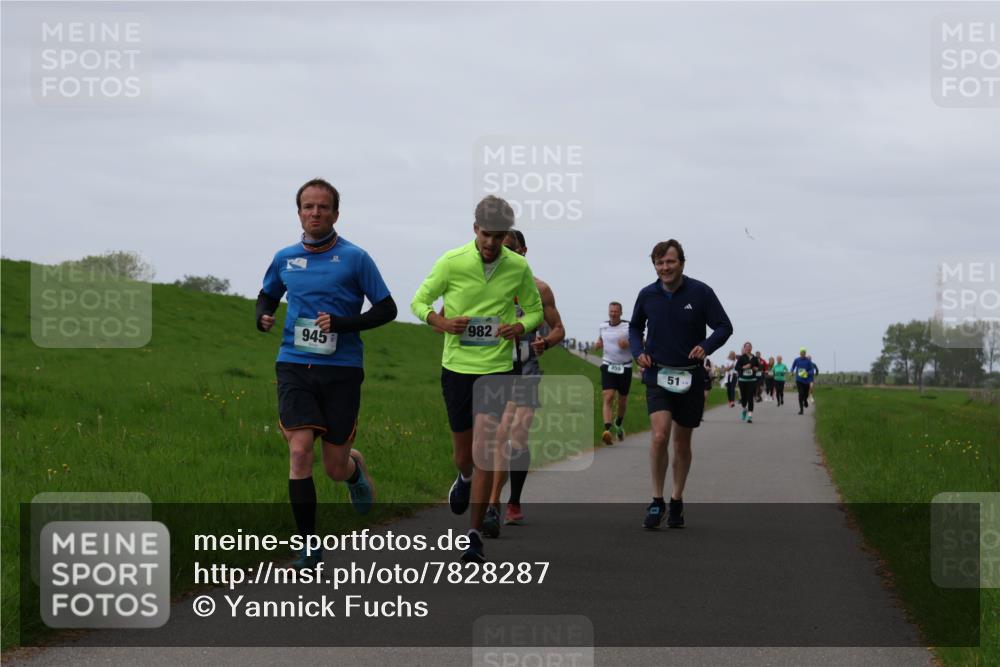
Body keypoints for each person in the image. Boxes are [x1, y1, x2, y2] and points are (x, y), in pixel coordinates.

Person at [256, 178, 397, 569]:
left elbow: (387, 309)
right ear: (298, 211)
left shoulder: (355, 258)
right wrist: (262, 315)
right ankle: (308, 544)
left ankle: (354, 471)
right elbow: (268, 293)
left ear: (336, 213)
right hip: (294, 363)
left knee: (334, 468)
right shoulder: (285, 257)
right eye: (307, 206)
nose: (314, 213)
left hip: (342, 370)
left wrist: (342, 324)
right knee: (299, 451)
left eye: (322, 207)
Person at [410, 195, 542, 562]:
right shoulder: (451, 263)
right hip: (457, 367)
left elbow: (532, 310)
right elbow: (419, 301)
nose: (491, 243)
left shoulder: (517, 267)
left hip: (498, 367)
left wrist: (519, 326)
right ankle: (464, 478)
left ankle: (473, 534)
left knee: (488, 445)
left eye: (498, 237)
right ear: (474, 230)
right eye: (486, 235)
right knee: (463, 454)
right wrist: (441, 322)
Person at [629, 239, 733, 529]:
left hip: (689, 375)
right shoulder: (647, 295)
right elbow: (635, 327)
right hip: (658, 375)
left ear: (682, 263)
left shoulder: (700, 292)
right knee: (660, 436)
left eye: (670, 262)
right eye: (659, 263)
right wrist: (638, 353)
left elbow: (724, 326)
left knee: (681, 442)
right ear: (655, 266)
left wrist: (707, 346)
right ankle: (655, 500)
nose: (665, 268)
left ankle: (676, 499)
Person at [482, 230, 565, 536]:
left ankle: (505, 503)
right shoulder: (484, 285)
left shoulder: (539, 289)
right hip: (493, 368)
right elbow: (447, 317)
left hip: (526, 367)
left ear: (524, 251)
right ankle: (494, 502)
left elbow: (558, 329)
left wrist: (546, 343)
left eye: (511, 250)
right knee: (497, 437)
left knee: (515, 435)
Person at [595, 302, 632, 444]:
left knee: (622, 400)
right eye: (611, 311)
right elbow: (601, 339)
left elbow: (642, 342)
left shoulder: (629, 327)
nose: (613, 313)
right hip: (608, 365)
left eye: (616, 311)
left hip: (625, 367)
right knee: (608, 396)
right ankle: (607, 430)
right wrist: (598, 344)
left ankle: (618, 423)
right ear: (608, 312)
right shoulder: (602, 326)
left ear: (621, 313)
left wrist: (628, 344)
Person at [735, 342, 760, 423]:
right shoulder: (741, 357)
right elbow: (736, 367)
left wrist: (756, 368)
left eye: (750, 346)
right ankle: (744, 409)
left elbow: (759, 367)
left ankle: (749, 416)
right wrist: (743, 367)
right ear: (744, 348)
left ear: (751, 348)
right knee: (744, 398)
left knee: (750, 398)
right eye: (747, 347)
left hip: (752, 380)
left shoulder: (754, 358)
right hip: (743, 380)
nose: (748, 348)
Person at [790, 348, 818, 415]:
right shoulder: (796, 360)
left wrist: (807, 372)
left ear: (805, 353)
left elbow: (812, 370)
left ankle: (805, 400)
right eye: (801, 352)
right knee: (801, 394)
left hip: (806, 380)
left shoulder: (808, 361)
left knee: (805, 394)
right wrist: (791, 371)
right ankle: (801, 410)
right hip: (799, 380)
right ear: (800, 353)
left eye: (804, 353)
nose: (803, 354)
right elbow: (793, 367)